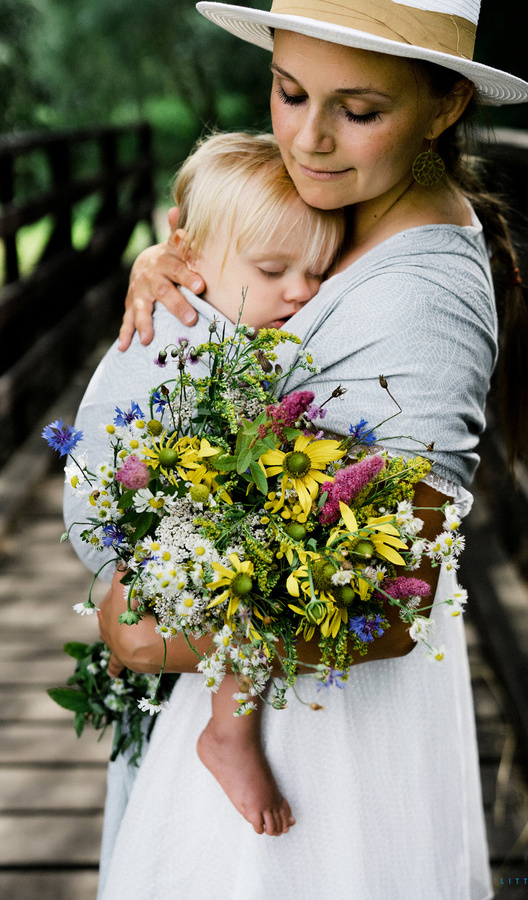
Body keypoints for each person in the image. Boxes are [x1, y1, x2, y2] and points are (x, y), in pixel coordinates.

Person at [87, 1, 528, 897]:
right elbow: (236, 248)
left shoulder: (424, 298)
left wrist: (144, 632)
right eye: (289, 93)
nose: (308, 139)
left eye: (359, 111)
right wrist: (175, 269)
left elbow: (395, 601)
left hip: (320, 754)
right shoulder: (343, 196)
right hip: (264, 697)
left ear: (447, 106)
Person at [63, 130, 344, 880]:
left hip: (145, 517)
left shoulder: (218, 304)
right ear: (187, 260)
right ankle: (229, 732)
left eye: (319, 272)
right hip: (136, 520)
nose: (301, 292)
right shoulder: (190, 333)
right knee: (255, 572)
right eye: (275, 270)